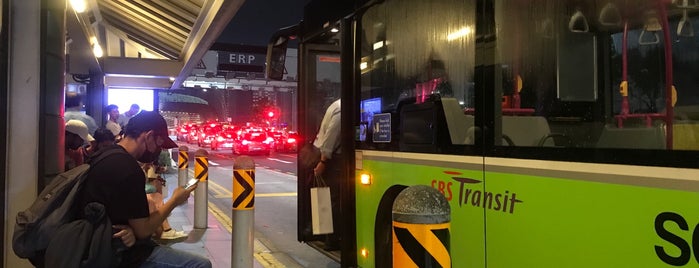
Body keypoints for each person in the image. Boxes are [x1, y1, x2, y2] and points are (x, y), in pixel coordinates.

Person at [77, 111, 211, 267]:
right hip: (117, 254)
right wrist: (175, 200)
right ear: (148, 136)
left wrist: (131, 231)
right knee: (200, 265)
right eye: (159, 144)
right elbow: (144, 230)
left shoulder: (106, 154)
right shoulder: (128, 169)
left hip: (95, 243)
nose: (158, 151)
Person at [312, 98, 342, 251]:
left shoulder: (335, 105)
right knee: (333, 200)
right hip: (331, 160)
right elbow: (331, 137)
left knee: (327, 198)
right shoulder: (342, 108)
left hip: (327, 157)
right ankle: (331, 240)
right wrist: (323, 162)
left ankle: (326, 236)